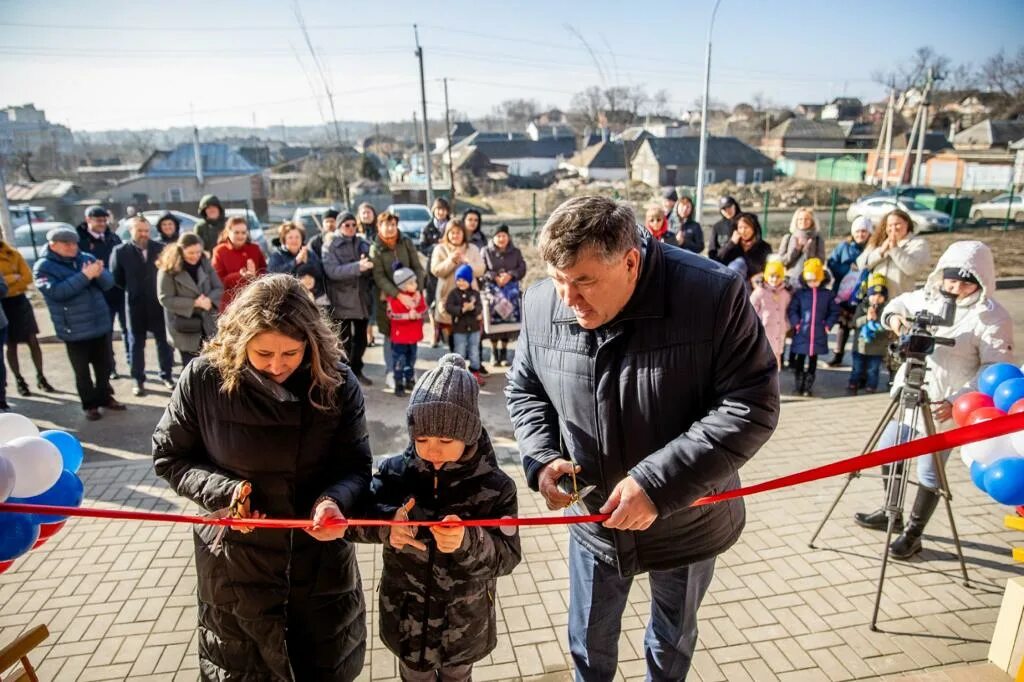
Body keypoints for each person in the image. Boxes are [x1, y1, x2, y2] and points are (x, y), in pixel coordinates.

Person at [505, 196, 779, 681]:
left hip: (688, 520)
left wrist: (658, 483)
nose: (569, 299)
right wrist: (542, 456)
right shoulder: (541, 302)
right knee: (588, 642)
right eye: (559, 280)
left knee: (671, 641)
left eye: (585, 281)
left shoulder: (712, 295)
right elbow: (525, 389)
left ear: (630, 262)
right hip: (594, 522)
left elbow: (751, 403)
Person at [153, 274, 371, 680]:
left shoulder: (337, 382)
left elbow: (357, 467)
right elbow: (170, 456)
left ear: (311, 341)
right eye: (263, 352)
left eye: (290, 353)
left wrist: (334, 500)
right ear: (240, 339)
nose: (276, 366)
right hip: (236, 569)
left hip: (319, 567)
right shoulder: (203, 379)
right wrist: (225, 492)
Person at [350, 353, 521, 681]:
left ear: (469, 434)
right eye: (422, 439)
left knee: (457, 676)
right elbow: (355, 520)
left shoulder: (496, 488)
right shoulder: (394, 474)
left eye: (446, 440)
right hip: (406, 618)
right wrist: (388, 527)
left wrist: (468, 542)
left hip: (464, 624)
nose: (433, 449)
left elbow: (508, 556)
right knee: (413, 676)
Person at [853, 241, 1014, 559]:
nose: (956, 288)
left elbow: (992, 368)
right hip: (910, 396)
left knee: (929, 472)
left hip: (946, 408)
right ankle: (891, 512)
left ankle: (913, 534)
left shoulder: (992, 317)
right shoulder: (924, 298)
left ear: (981, 281)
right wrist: (896, 322)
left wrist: (957, 399)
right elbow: (894, 307)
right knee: (888, 454)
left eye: (966, 282)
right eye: (951, 280)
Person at [34, 226, 127, 421]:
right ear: (53, 245)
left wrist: (98, 273)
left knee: (105, 365)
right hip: (74, 329)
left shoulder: (86, 258)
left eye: (74, 243)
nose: (72, 247)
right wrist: (85, 276)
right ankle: (90, 404)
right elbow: (58, 292)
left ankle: (105, 397)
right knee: (82, 371)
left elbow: (109, 283)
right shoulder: (43, 267)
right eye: (66, 244)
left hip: (99, 324)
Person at [110, 215, 175, 396]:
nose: (144, 234)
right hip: (135, 306)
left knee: (164, 343)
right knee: (136, 344)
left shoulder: (160, 249)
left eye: (146, 230)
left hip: (158, 305)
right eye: (139, 230)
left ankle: (167, 375)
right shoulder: (120, 251)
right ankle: (138, 380)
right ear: (131, 230)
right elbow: (117, 279)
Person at [371, 211, 426, 391]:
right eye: (386, 224)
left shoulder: (406, 242)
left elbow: (417, 267)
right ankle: (391, 372)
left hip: (412, 294)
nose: (390, 228)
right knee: (390, 334)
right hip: (388, 298)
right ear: (379, 227)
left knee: (410, 332)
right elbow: (379, 277)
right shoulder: (376, 248)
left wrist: (417, 290)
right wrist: (398, 294)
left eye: (393, 224)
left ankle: (409, 372)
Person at [156, 233, 224, 367]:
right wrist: (194, 303)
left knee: (211, 366)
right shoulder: (167, 270)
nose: (195, 256)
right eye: (190, 253)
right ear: (180, 251)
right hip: (185, 325)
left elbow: (218, 287)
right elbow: (165, 298)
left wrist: (209, 300)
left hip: (207, 323)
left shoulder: (204, 263)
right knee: (191, 367)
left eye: (198, 252)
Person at [323, 212, 374, 386]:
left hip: (361, 299)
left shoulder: (363, 243)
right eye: (347, 225)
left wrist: (368, 265)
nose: (351, 228)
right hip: (341, 299)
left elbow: (371, 265)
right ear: (339, 226)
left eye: (354, 225)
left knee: (362, 339)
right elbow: (332, 271)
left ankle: (357, 370)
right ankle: (345, 375)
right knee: (344, 342)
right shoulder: (330, 245)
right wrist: (357, 266)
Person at [0, 235, 55, 396]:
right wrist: (12, 278)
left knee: (32, 340)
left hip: (20, 301)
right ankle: (19, 380)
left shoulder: (12, 254)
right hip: (4, 305)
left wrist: (7, 281)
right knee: (11, 344)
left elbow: (27, 277)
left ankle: (41, 376)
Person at [77, 205, 127, 379]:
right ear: (88, 220)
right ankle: (110, 366)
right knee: (106, 333)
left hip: (118, 291)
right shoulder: (80, 242)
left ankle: (131, 361)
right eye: (98, 220)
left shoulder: (113, 238)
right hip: (98, 294)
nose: (102, 224)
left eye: (105, 220)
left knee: (127, 329)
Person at [786, 258, 840, 397]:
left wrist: (827, 325)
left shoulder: (827, 295)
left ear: (821, 279)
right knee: (800, 359)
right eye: (810, 280)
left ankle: (808, 386)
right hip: (802, 333)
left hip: (818, 334)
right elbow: (792, 310)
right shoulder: (800, 294)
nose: (812, 283)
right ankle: (799, 384)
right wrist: (797, 324)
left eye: (815, 280)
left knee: (813, 361)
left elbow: (834, 311)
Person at [826, 216, 874, 367]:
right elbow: (832, 263)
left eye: (864, 231)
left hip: (862, 294)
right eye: (858, 231)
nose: (860, 234)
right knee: (843, 326)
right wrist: (847, 269)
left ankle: (860, 360)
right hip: (844, 294)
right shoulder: (844, 247)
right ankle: (838, 355)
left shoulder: (872, 249)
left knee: (861, 327)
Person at [430, 220, 484, 351]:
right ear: (447, 234)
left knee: (474, 332)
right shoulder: (440, 249)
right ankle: (454, 365)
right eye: (452, 233)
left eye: (458, 232)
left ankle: (476, 366)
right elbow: (436, 270)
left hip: (470, 296)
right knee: (452, 333)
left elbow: (481, 269)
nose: (455, 236)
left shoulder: (473, 249)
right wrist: (451, 260)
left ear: (463, 233)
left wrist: (468, 262)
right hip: (449, 296)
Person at [855, 208, 930, 300]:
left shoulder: (918, 243)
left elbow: (912, 269)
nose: (893, 228)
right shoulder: (878, 241)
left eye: (897, 224)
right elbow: (861, 265)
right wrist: (880, 252)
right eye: (890, 225)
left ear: (907, 224)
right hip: (875, 299)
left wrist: (894, 249)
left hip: (901, 299)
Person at [481, 223, 527, 368]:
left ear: (508, 237)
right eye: (498, 236)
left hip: (511, 287)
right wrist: (494, 277)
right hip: (493, 288)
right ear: (493, 237)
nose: (501, 239)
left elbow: (522, 268)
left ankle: (504, 350)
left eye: (504, 236)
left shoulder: (516, 252)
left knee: (511, 304)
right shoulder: (486, 251)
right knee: (495, 305)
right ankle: (494, 350)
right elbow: (482, 270)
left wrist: (510, 275)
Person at [211, 215, 267, 311]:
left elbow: (265, 273)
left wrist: (254, 275)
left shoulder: (254, 249)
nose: (240, 236)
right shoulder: (219, 251)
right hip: (230, 304)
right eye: (236, 232)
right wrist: (239, 275)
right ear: (228, 232)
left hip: (253, 300)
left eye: (243, 232)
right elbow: (217, 281)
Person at [386, 266, 427, 397]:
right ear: (403, 286)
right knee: (399, 360)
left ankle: (410, 379)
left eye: (415, 282)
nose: (415, 285)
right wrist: (407, 316)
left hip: (413, 336)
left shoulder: (418, 296)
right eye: (411, 283)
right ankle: (398, 383)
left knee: (411, 359)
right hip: (400, 337)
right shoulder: (394, 299)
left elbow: (424, 310)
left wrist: (418, 314)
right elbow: (391, 315)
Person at [848, 282, 891, 394]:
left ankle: (871, 386)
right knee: (857, 368)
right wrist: (866, 318)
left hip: (877, 348)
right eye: (873, 295)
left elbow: (887, 328)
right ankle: (853, 383)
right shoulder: (861, 307)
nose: (876, 299)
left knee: (873, 370)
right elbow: (854, 323)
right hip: (860, 346)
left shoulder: (886, 310)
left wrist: (876, 319)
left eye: (880, 296)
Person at [445, 264, 484, 383]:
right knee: (459, 351)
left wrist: (472, 308)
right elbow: (449, 307)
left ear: (469, 280)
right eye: (459, 280)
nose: (461, 283)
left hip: (474, 328)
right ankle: (458, 374)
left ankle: (475, 372)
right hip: (459, 328)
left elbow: (479, 307)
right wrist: (461, 309)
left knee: (474, 350)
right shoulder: (453, 294)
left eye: (464, 280)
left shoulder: (475, 294)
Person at [750, 258, 791, 370]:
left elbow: (787, 310)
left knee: (775, 359)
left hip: (778, 332)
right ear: (766, 275)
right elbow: (751, 311)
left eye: (778, 276)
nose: (774, 279)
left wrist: (786, 324)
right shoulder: (759, 292)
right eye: (771, 276)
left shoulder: (785, 294)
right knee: (761, 358)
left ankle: (773, 384)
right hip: (764, 331)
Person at [420, 198, 450, 348]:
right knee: (432, 301)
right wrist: (436, 248)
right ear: (433, 211)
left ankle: (446, 333)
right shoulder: (427, 228)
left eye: (443, 209)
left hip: (450, 269)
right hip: (433, 268)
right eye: (438, 209)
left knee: (447, 299)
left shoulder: (452, 226)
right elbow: (422, 247)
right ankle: (434, 332)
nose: (441, 212)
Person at [716, 212, 773, 286]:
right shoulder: (734, 245)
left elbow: (769, 268)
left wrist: (761, 275)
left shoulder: (764, 247)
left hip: (755, 285)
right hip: (733, 284)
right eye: (740, 227)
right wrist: (731, 243)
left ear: (754, 228)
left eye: (746, 227)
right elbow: (718, 259)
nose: (743, 231)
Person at [268, 221, 323, 296]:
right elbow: (273, 274)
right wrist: (296, 261)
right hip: (287, 296)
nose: (294, 240)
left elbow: (320, 272)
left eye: (297, 237)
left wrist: (307, 262)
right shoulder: (277, 255)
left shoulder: (309, 253)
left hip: (312, 296)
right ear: (284, 240)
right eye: (290, 237)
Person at [778, 208, 826, 287]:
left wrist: (808, 251)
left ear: (812, 221)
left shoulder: (818, 239)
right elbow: (781, 262)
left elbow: (820, 262)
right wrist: (796, 250)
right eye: (800, 219)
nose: (803, 221)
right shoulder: (788, 238)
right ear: (796, 221)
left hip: (810, 282)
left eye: (807, 219)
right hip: (790, 282)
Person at [355, 203, 380, 346]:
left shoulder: (378, 231)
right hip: (362, 274)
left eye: (368, 212)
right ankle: (368, 335)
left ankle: (373, 333)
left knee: (375, 306)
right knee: (366, 306)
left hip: (376, 273)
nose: (366, 215)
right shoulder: (355, 231)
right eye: (363, 213)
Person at [707, 195, 740, 262]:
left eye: (729, 207)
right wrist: (731, 243)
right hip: (722, 263)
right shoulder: (717, 227)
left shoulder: (745, 223)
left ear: (735, 206)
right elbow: (712, 254)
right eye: (724, 209)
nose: (727, 211)